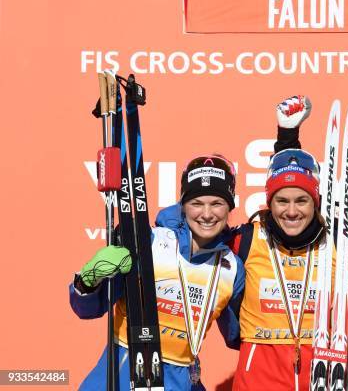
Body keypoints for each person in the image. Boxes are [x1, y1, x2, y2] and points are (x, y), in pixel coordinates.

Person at [69, 155, 245, 390]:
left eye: (217, 203)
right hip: (123, 375)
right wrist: (88, 282)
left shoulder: (231, 267)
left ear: (230, 206)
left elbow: (241, 335)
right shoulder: (148, 242)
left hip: (181, 380)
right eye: (197, 203)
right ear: (183, 204)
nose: (207, 214)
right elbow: (89, 308)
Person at [228, 96, 332, 391]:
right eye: (281, 201)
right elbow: (195, 230)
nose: (291, 211)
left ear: (316, 203)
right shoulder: (247, 240)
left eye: (302, 201)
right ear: (268, 203)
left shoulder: (335, 244)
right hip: (258, 375)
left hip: (323, 371)